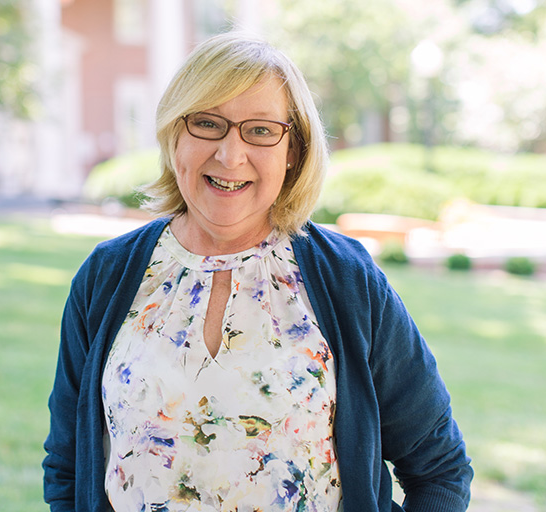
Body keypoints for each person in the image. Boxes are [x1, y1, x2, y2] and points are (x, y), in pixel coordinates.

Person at [43, 32, 472, 512]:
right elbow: (67, 466)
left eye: (261, 130)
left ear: (293, 150)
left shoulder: (348, 281)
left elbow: (438, 468)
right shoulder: (106, 276)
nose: (231, 155)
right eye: (208, 123)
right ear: (174, 135)